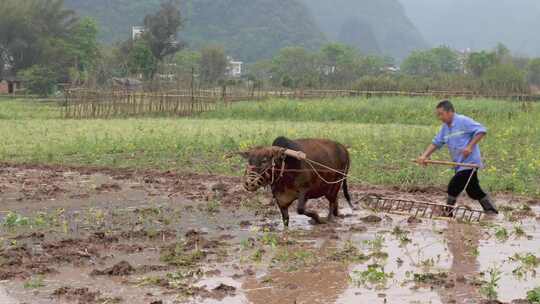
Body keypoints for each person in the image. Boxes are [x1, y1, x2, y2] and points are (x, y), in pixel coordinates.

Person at [417, 100, 498, 214]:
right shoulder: (445, 128)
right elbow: (436, 142)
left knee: (453, 186)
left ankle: (448, 213)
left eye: (441, 114)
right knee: (473, 190)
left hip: (469, 163)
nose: (440, 117)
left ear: (450, 112)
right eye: (438, 115)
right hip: (459, 164)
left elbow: (481, 130)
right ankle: (491, 211)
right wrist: (424, 156)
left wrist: (469, 147)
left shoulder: (463, 121)